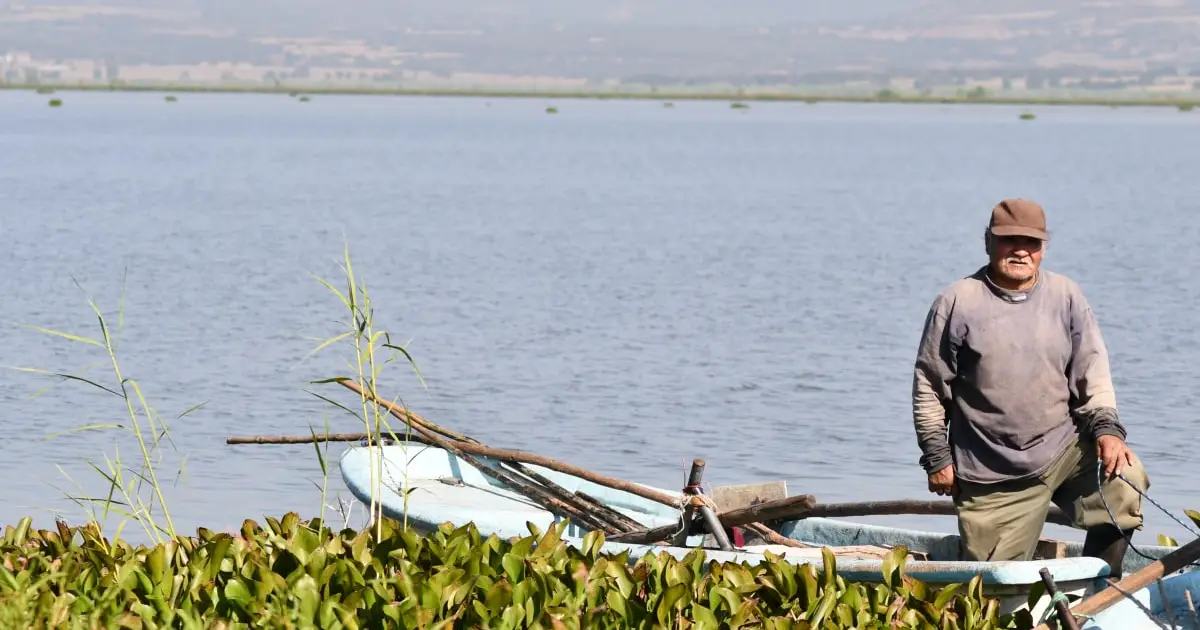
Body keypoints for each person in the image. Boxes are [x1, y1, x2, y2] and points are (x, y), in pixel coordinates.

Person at [911, 198, 1150, 580]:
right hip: (991, 472)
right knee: (996, 588)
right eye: (1009, 241)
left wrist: (1106, 430)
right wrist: (937, 457)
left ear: (1043, 248)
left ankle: (1100, 590)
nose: (1021, 251)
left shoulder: (1066, 295)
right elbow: (928, 386)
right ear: (988, 241)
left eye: (1032, 243)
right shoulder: (957, 302)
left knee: (1125, 477)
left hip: (1064, 451)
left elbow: (1094, 374)